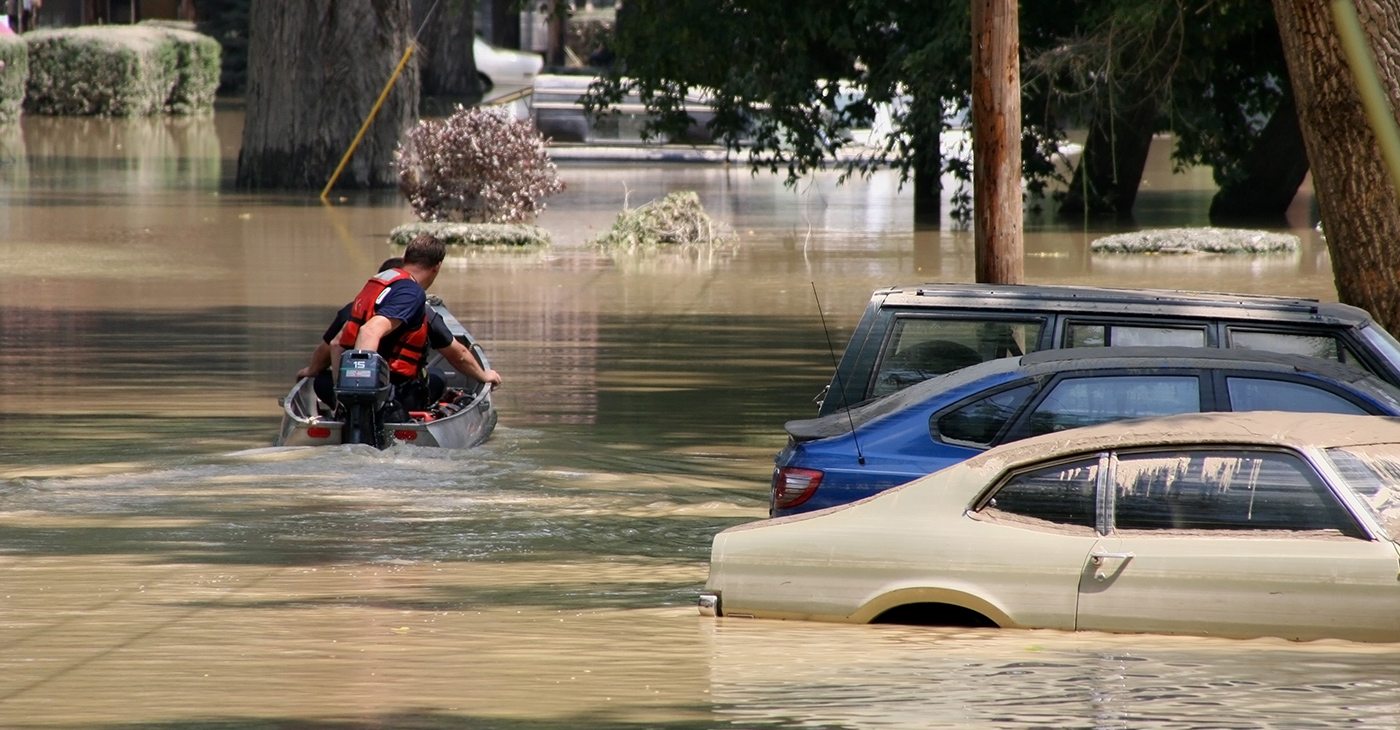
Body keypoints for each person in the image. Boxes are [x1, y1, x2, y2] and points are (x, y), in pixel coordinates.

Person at [299, 237, 502, 413]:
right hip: (395, 395)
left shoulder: (370, 292)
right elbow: (458, 355)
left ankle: (345, 407)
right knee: (438, 376)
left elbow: (335, 344)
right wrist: (484, 375)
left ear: (405, 260)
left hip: (360, 391)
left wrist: (320, 376)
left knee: (321, 381)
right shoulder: (413, 295)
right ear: (437, 267)